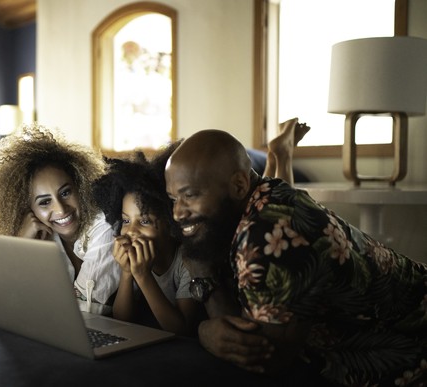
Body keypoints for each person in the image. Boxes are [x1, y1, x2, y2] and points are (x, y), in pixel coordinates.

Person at [164, 128, 427, 385]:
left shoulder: (271, 237)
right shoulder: (268, 194)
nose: (177, 213)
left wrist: (204, 312)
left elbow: (264, 359)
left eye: (189, 195)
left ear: (239, 184)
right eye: (173, 198)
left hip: (412, 346)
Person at [0, 124, 121, 315]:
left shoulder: (104, 225)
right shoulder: (43, 236)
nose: (60, 209)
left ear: (80, 187)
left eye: (66, 192)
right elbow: (2, 302)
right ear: (28, 209)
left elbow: (86, 312)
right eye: (44, 202)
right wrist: (20, 243)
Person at [92, 145, 202, 336]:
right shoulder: (134, 258)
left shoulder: (187, 261)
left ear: (170, 222)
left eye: (144, 221)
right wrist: (127, 273)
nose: (132, 231)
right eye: (126, 220)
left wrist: (143, 276)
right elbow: (122, 322)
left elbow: (182, 329)